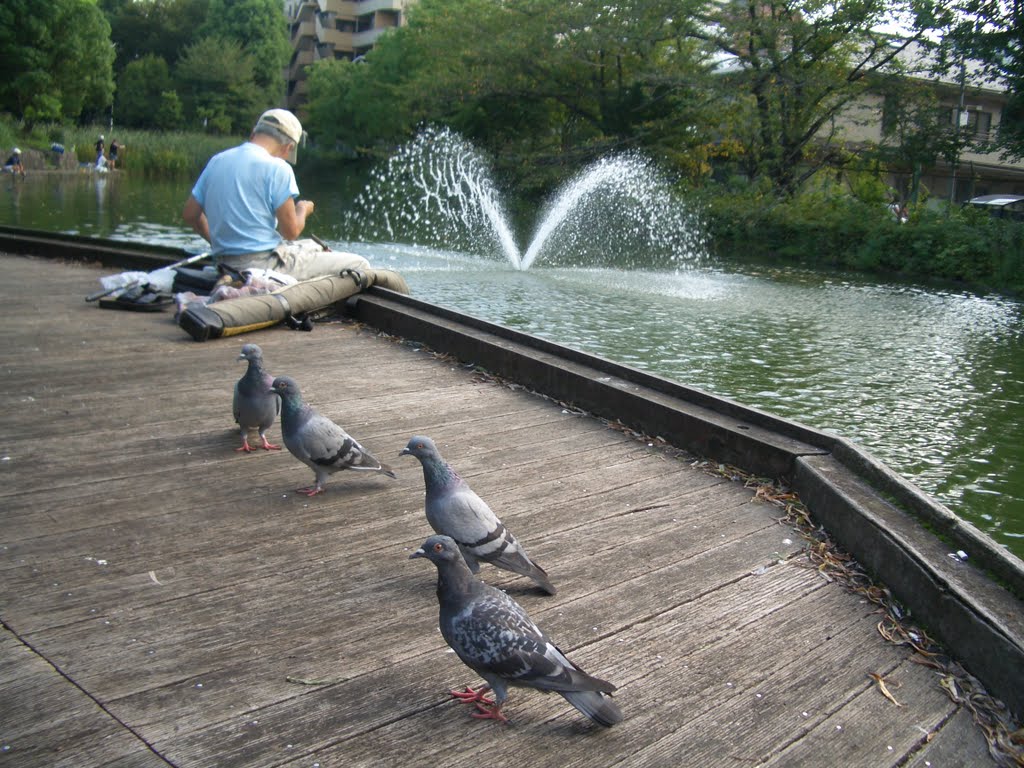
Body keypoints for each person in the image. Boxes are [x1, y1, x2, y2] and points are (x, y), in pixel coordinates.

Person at [182, 108, 370, 281]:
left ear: (253, 134)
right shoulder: (278, 168)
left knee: (315, 246)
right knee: (360, 264)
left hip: (224, 264)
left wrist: (219, 244)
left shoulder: (217, 161)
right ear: (288, 147)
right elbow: (290, 232)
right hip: (263, 266)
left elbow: (190, 215)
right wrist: (302, 210)